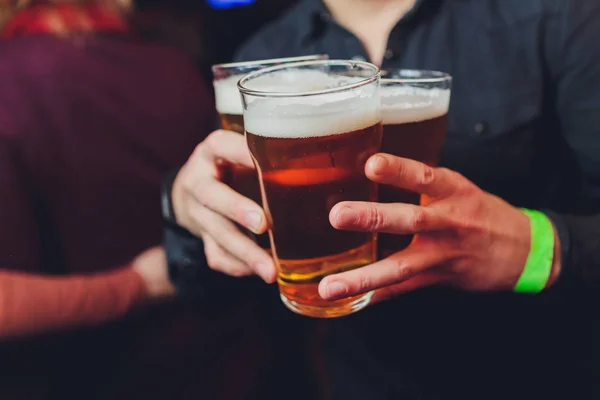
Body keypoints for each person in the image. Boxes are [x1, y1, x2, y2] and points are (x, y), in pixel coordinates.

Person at [165, 0, 600, 399]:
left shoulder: (557, 16)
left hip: (538, 372)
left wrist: (540, 247)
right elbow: (214, 293)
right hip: (362, 381)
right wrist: (184, 212)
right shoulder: (264, 52)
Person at [0, 1, 259, 399]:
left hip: (85, 374)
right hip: (222, 356)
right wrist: (138, 283)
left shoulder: (12, 77)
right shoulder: (175, 67)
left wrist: (133, 287)